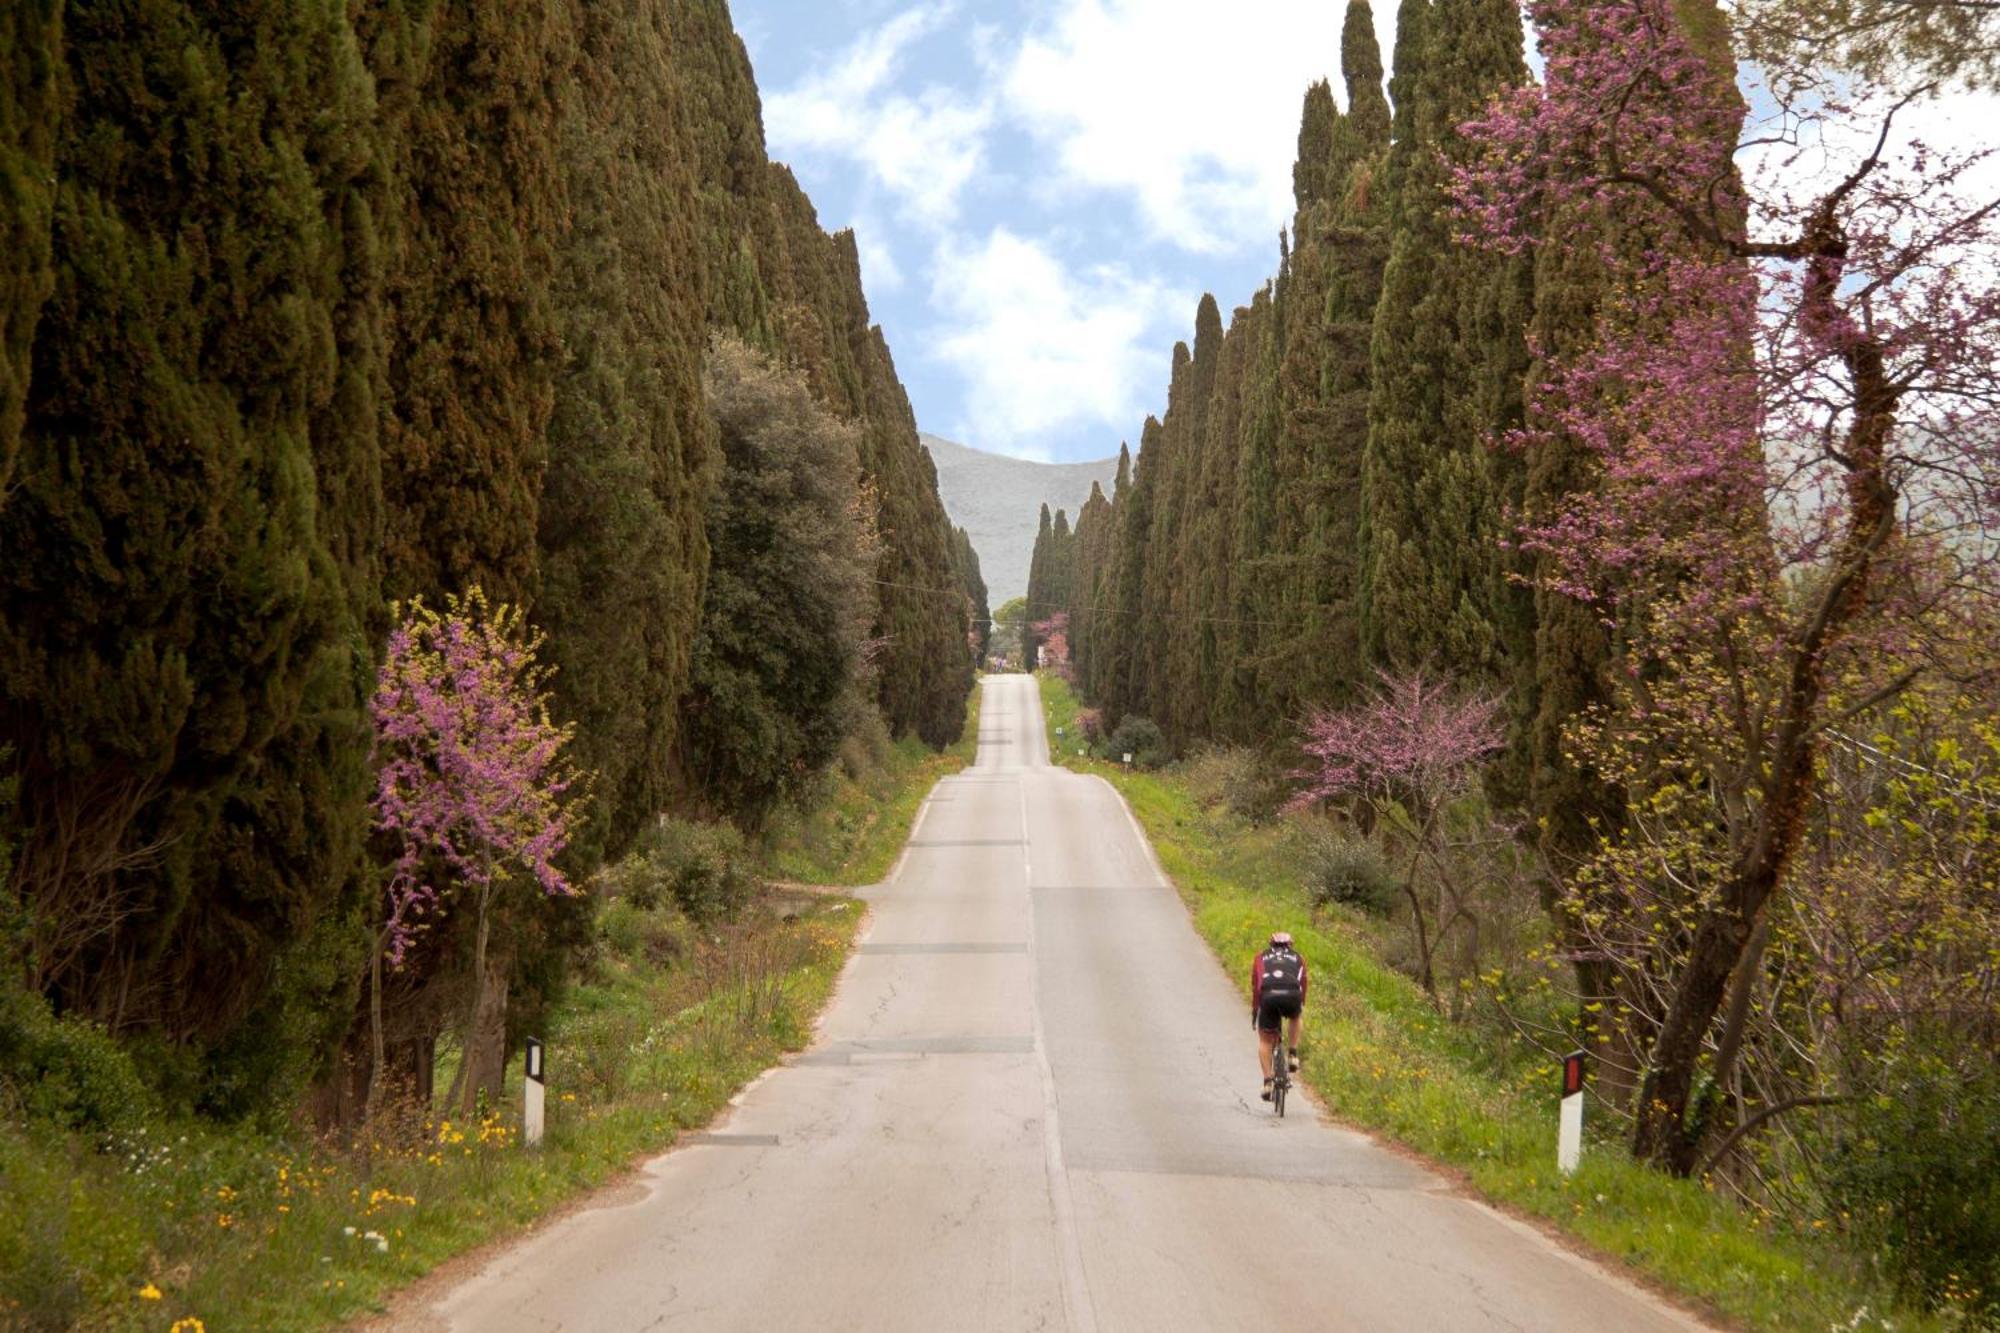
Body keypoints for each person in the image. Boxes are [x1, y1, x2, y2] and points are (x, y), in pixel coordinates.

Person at [1250, 930, 1307, 1101]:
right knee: (1296, 1017)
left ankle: (1268, 1081)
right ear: (1290, 945)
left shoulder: (1260, 958)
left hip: (1268, 995)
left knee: (1265, 1041)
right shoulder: (1298, 958)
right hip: (1292, 994)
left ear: (1271, 944)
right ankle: (1293, 1054)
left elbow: (1256, 986)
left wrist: (1255, 1011)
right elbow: (1303, 983)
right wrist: (1300, 1003)